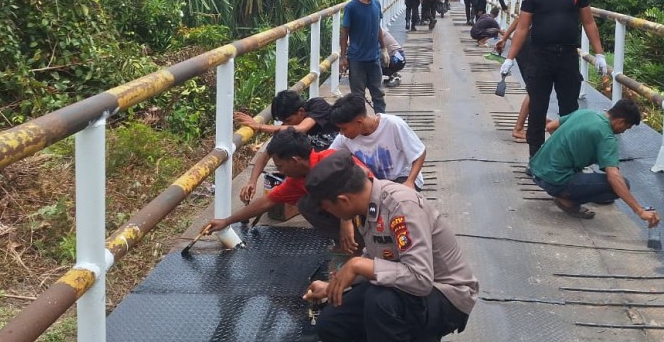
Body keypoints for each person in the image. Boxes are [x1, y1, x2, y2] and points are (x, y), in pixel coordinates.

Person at [303, 154, 477, 342]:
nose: (331, 214)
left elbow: (421, 279)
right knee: (332, 322)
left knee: (380, 301)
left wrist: (357, 265)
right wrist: (334, 287)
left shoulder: (401, 207)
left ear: (344, 200)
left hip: (446, 293)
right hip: (403, 287)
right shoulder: (366, 206)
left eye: (328, 208)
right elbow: (378, 257)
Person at [501, 0, 608, 158]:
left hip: (568, 57)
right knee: (538, 108)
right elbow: (522, 27)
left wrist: (600, 54)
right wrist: (510, 57)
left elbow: (588, 22)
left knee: (569, 109)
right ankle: (536, 157)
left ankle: (566, 156)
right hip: (540, 56)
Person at [204, 128, 371, 253]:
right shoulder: (296, 180)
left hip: (372, 211)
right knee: (306, 204)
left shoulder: (332, 159)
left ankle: (365, 244)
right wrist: (226, 221)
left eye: (280, 166)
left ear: (294, 161)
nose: (281, 172)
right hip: (349, 215)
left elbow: (366, 179)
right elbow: (267, 201)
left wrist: (346, 220)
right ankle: (349, 244)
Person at [529, 99, 661, 228]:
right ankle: (566, 200)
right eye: (626, 128)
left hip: (536, 171)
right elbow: (614, 177)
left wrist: (569, 151)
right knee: (621, 185)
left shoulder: (585, 113)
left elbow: (550, 126)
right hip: (555, 181)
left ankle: (567, 190)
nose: (623, 132)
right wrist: (640, 210)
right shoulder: (606, 137)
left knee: (597, 181)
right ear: (621, 121)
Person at [233, 90, 340, 204]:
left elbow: (300, 128)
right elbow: (264, 157)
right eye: (283, 122)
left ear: (301, 111)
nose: (286, 125)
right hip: (311, 169)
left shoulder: (317, 106)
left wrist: (259, 126)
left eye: (288, 120)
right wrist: (252, 182)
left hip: (337, 163)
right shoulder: (286, 129)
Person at [328, 93, 426, 190]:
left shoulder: (393, 124)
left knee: (391, 198)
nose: (341, 133)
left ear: (359, 122)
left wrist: (410, 182)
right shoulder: (345, 137)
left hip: (403, 177)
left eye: (344, 129)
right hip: (376, 183)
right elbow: (328, 157)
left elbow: (419, 153)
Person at [341, 0, 389, 115]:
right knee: (358, 97)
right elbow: (345, 33)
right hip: (357, 59)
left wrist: (384, 48)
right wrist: (343, 57)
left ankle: (382, 122)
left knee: (378, 94)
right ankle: (361, 124)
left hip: (373, 57)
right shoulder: (352, 7)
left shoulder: (376, 4)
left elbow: (377, 27)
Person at [496, 19, 532, 144]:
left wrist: (505, 38)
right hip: (530, 46)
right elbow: (520, 19)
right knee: (535, 89)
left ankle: (541, 121)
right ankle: (519, 128)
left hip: (527, 45)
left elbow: (519, 19)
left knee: (535, 89)